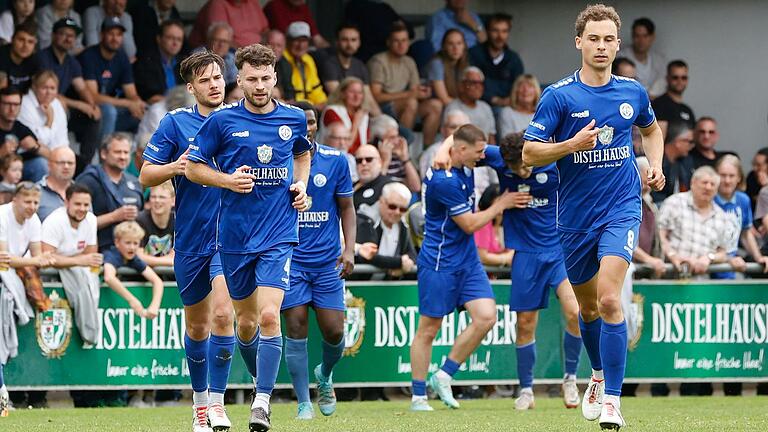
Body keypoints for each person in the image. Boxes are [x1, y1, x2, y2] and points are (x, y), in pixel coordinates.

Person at [521, 5, 665, 429]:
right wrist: (570, 145)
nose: (601, 46)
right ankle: (597, 375)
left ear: (617, 44)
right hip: (574, 220)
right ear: (579, 42)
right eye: (594, 39)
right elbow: (530, 153)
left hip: (621, 208)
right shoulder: (559, 96)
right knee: (587, 311)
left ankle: (613, 403)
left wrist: (654, 165)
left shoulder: (632, 92)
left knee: (608, 299)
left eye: (608, 39)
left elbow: (652, 130)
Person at [185, 43, 311, 431]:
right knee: (244, 324)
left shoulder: (293, 118)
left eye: (266, 78)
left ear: (275, 77)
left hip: (278, 234)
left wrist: (301, 186)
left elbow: (303, 153)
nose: (259, 85)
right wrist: (226, 180)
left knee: (271, 314)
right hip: (235, 239)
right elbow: (192, 167)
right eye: (252, 79)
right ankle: (257, 382)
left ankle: (261, 402)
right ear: (240, 79)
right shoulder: (222, 122)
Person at [139, 50, 235, 432]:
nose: (214, 85)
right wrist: (176, 167)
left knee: (224, 315)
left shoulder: (241, 120)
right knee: (197, 327)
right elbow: (146, 175)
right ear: (192, 86)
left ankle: (218, 404)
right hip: (192, 238)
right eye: (206, 80)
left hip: (231, 237)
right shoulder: (176, 123)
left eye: (218, 78)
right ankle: (198, 405)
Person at [410, 124, 517, 412]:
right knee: (428, 329)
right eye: (478, 151)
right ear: (461, 151)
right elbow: (469, 224)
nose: (482, 157)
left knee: (486, 317)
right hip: (439, 262)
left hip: (467, 260)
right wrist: (501, 204)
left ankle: (444, 375)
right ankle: (418, 396)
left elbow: (458, 134)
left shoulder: (466, 158)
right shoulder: (443, 181)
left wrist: (446, 146)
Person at [279, 101, 355, 420]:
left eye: (311, 122)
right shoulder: (279, 161)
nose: (307, 127)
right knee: (295, 326)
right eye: (301, 122)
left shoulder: (336, 161)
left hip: (326, 263)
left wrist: (349, 248)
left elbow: (347, 208)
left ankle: (324, 374)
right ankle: (302, 401)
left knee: (335, 331)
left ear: (316, 125)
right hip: (292, 260)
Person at [41, 183, 103, 345]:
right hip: (48, 276)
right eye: (77, 204)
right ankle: (89, 332)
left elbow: (91, 254)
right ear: (66, 202)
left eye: (85, 205)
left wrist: (72, 260)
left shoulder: (91, 219)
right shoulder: (54, 221)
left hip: (76, 270)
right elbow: (46, 258)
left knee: (89, 278)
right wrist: (77, 260)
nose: (82, 209)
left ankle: (90, 331)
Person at [38, 17, 102, 173]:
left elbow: (82, 88)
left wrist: (92, 105)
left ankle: (85, 165)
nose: (68, 39)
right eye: (63, 34)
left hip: (63, 107)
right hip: (44, 107)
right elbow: (48, 93)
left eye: (71, 36)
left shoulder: (71, 62)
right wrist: (79, 104)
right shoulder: (42, 58)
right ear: (53, 36)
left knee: (95, 116)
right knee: (60, 106)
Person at [368, 22, 442, 146]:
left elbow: (415, 91)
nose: (401, 45)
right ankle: (402, 148)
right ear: (388, 43)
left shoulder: (409, 61)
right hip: (381, 109)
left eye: (404, 40)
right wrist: (409, 94)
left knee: (436, 105)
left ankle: (427, 150)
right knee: (411, 102)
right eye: (396, 41)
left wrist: (423, 93)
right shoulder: (378, 61)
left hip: (405, 106)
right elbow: (376, 96)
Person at [75, 132, 144, 251]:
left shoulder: (134, 182)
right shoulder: (88, 180)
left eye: (126, 152)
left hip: (131, 254)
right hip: (96, 252)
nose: (122, 156)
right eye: (117, 152)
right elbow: (76, 222)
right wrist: (114, 217)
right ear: (103, 154)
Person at [79, 17, 146, 138]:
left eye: (119, 35)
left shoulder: (122, 57)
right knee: (110, 111)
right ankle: (105, 152)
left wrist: (137, 103)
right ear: (101, 35)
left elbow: (131, 92)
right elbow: (93, 97)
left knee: (143, 112)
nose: (115, 38)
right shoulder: (89, 56)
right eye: (111, 34)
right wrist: (127, 103)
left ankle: (136, 154)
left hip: (112, 108)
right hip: (87, 110)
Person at [713, 155, 768, 278]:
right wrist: (725, 258)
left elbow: (746, 233)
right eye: (723, 175)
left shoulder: (743, 200)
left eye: (731, 176)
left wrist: (758, 257)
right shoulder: (708, 198)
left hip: (734, 266)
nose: (727, 180)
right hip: (710, 264)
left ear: (739, 178)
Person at [102, 221, 163, 318]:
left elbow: (157, 281)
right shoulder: (111, 255)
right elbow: (109, 278)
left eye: (135, 243)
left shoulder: (135, 259)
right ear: (117, 242)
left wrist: (154, 306)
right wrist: (132, 300)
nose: (132, 247)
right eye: (128, 243)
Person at [356, 182, 417, 276]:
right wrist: (398, 263)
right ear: (381, 201)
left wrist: (404, 266)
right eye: (392, 207)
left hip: (385, 285)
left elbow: (412, 255)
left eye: (402, 209)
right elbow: (367, 256)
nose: (397, 212)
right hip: (359, 283)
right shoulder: (366, 220)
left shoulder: (402, 224)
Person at [468, 13, 524, 108]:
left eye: (504, 31)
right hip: (478, 105)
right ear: (487, 32)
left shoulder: (514, 58)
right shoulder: (474, 54)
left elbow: (519, 86)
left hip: (507, 107)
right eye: (495, 31)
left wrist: (510, 99)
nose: (500, 36)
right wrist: (495, 100)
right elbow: (469, 85)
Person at [0, 87, 48, 182]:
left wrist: (35, 147)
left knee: (40, 164)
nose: (12, 109)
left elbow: (51, 155)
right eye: (7, 104)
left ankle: (35, 196)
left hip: (17, 173)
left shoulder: (20, 127)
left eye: (16, 104)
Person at [19, 71, 70, 154]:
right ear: (34, 87)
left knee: (82, 163)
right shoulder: (24, 104)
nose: (49, 92)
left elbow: (62, 138)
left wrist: (64, 155)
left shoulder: (56, 103)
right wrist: (50, 120)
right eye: (44, 88)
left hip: (55, 154)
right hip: (32, 154)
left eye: (52, 88)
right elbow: (38, 141)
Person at [278, 21, 327, 108]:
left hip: (309, 107)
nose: (300, 45)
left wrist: (323, 103)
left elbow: (316, 89)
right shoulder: (281, 61)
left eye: (304, 40)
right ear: (288, 41)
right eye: (296, 40)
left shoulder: (308, 60)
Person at [320, 77, 373, 154]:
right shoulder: (331, 111)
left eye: (360, 92)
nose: (356, 96)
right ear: (342, 94)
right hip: (334, 157)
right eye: (352, 92)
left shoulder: (363, 114)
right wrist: (356, 123)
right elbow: (344, 145)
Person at [188, 0, 269, 49]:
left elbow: (266, 30)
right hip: (231, 55)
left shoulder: (252, 2)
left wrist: (263, 48)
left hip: (255, 54)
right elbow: (221, 42)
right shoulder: (217, 4)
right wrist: (248, 54)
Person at [651, 121, 694, 203]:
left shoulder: (683, 163)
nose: (691, 146)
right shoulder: (656, 161)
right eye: (689, 142)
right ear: (678, 141)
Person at [623, 18, 666, 98]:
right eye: (637, 36)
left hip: (654, 103)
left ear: (652, 37)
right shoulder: (621, 56)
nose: (641, 40)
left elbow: (662, 84)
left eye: (645, 36)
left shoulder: (659, 60)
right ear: (632, 36)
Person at [135, 181, 175, 267]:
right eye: (153, 197)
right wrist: (168, 261)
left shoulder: (177, 221)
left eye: (162, 197)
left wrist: (149, 260)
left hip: (168, 276)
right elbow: (138, 256)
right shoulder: (139, 220)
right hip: (139, 277)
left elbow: (175, 256)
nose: (157, 200)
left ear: (173, 201)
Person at [427, 29, 469, 106]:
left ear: (464, 46)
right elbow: (444, 99)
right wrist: (467, 108)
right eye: (450, 44)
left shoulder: (465, 63)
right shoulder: (436, 63)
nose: (455, 48)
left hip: (455, 105)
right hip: (436, 106)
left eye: (459, 43)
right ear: (444, 46)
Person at [263, 0, 329, 49]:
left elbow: (317, 38)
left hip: (303, 50)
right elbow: (286, 38)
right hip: (282, 49)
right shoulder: (274, 6)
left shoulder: (303, 7)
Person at [651, 60, 695, 129]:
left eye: (684, 78)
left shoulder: (687, 110)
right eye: (675, 77)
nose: (680, 81)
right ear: (667, 79)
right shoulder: (659, 105)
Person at [0, 21, 41, 93]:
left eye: (30, 42)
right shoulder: (2, 55)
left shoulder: (35, 60)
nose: (25, 45)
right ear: (12, 39)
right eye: (21, 40)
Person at [37, 146, 76, 221]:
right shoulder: (35, 192)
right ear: (49, 165)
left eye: (70, 163)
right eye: (61, 163)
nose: (66, 166)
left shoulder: (82, 193)